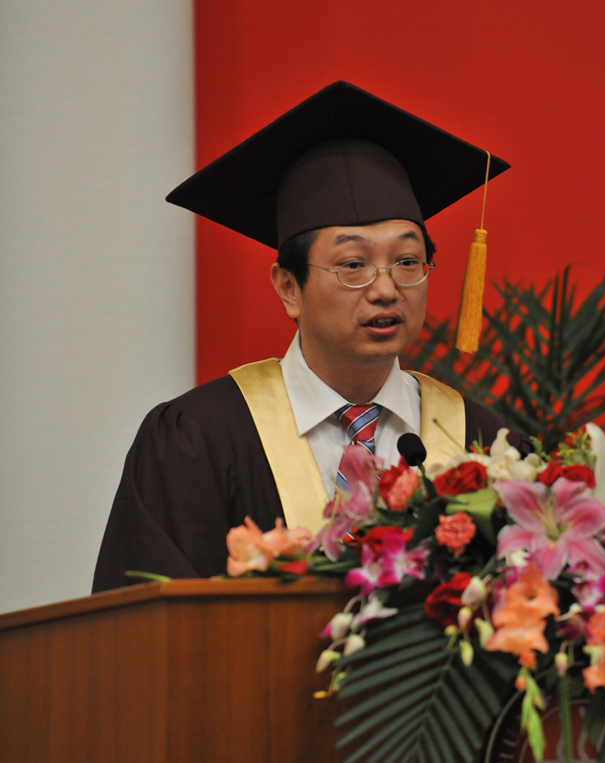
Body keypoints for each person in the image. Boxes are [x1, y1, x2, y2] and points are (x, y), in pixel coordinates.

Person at [92, 82, 527, 593]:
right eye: (352, 265)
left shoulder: (479, 442)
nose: (386, 289)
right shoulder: (197, 442)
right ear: (289, 288)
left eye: (408, 261)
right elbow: (145, 624)